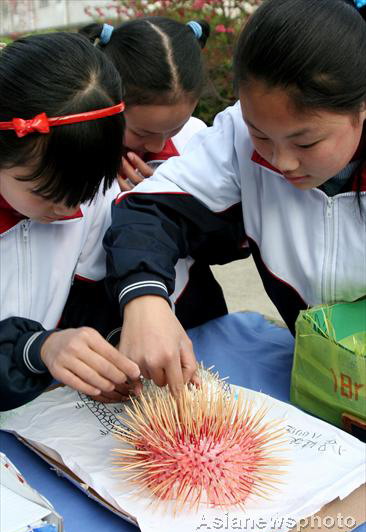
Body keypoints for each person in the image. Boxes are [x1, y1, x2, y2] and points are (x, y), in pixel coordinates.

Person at [104, 0, 366, 395]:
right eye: (260, 133)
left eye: (306, 141)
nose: (282, 162)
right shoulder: (236, 140)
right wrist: (143, 297)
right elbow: (149, 210)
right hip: (319, 377)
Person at [0, 32, 140, 411]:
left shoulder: (92, 198)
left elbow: (89, 294)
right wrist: (36, 347)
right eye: (46, 192)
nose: (66, 210)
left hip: (40, 412)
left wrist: (116, 343)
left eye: (83, 192)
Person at [79, 17, 248, 329]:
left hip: (193, 312)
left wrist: (167, 205)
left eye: (175, 127)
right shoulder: (77, 166)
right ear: (105, 101)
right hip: (109, 322)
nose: (158, 143)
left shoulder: (197, 141)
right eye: (141, 132)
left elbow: (225, 243)